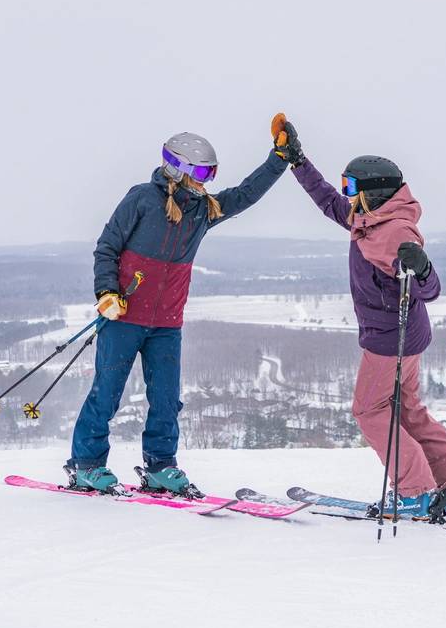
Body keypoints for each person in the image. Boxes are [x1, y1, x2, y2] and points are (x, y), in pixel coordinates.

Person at [273, 114, 446, 519]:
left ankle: (414, 492)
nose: (346, 195)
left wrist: (421, 268)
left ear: (373, 191)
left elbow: (430, 289)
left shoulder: (395, 231)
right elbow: (329, 201)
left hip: (389, 339)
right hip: (405, 335)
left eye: (352, 187)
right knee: (408, 411)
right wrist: (298, 161)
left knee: (369, 411)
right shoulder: (369, 218)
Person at [66, 129, 289, 494]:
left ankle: (160, 465)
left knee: (166, 400)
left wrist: (279, 159)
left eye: (211, 173)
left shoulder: (203, 210)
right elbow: (107, 247)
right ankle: (86, 464)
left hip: (166, 324)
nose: (206, 181)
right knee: (106, 393)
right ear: (177, 169)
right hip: (123, 318)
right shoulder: (142, 199)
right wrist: (106, 293)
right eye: (201, 173)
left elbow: (245, 194)